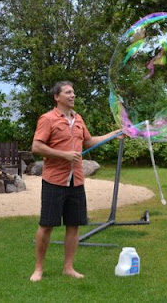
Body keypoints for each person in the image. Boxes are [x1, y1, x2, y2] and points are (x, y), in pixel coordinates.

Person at [30, 81, 122, 282]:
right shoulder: (47, 119)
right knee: (47, 225)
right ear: (57, 97)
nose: (73, 95)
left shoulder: (78, 119)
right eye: (68, 92)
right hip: (54, 181)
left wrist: (113, 135)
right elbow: (36, 147)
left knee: (73, 226)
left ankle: (68, 268)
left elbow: (88, 142)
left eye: (73, 92)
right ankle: (38, 269)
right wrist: (63, 155)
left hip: (76, 181)